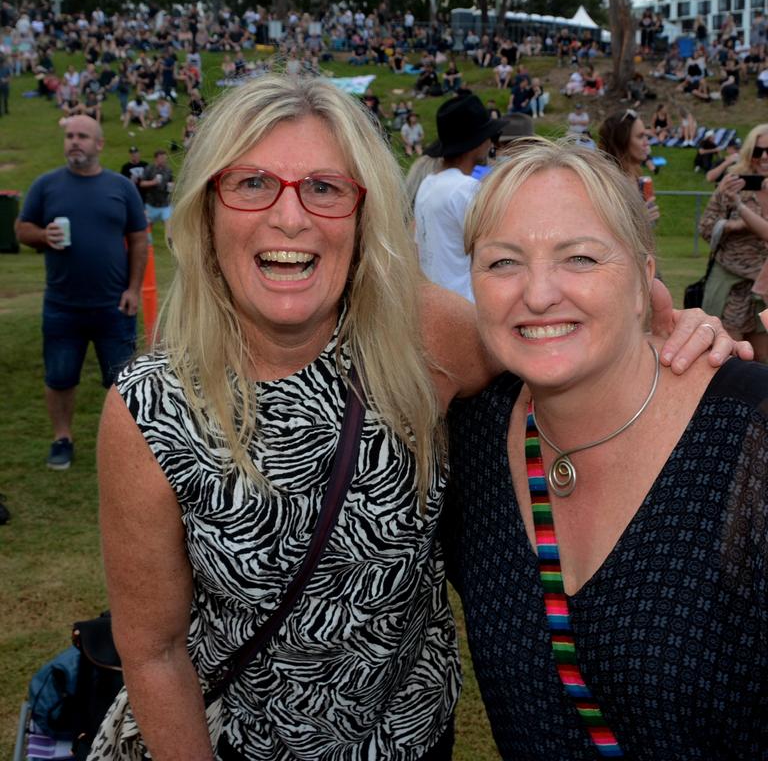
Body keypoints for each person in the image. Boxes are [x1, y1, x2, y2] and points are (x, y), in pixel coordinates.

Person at [91, 73, 733, 761]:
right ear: (208, 208)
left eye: (325, 187)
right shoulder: (151, 408)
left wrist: (671, 330)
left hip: (413, 740)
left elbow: (555, 332)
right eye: (252, 183)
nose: (290, 217)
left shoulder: (424, 335)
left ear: (364, 214)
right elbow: (154, 653)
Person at [444, 138, 767, 760]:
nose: (538, 294)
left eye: (581, 258)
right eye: (503, 262)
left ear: (646, 275)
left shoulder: (749, 437)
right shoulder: (471, 440)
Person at [15, 115, 147, 470]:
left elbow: (138, 239)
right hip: (62, 306)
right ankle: (62, 438)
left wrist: (134, 289)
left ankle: (126, 444)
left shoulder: (121, 187)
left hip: (115, 306)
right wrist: (43, 236)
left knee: (124, 383)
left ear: (99, 144)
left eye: (83, 136)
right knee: (59, 378)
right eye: (70, 136)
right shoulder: (46, 186)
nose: (75, 141)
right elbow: (22, 228)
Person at [415, 93, 505, 301]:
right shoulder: (465, 189)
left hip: (437, 299)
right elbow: (495, 249)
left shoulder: (427, 184)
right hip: (466, 302)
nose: (491, 142)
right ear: (478, 143)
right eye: (488, 136)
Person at [700, 124, 768, 361]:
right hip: (730, 286)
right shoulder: (732, 183)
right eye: (759, 151)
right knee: (732, 359)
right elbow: (706, 227)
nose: (765, 156)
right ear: (749, 152)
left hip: (764, 288)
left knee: (762, 358)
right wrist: (731, 225)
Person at [598, 109, 660, 224]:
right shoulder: (606, 184)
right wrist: (639, 221)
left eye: (646, 136)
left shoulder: (636, 176)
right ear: (622, 141)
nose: (647, 143)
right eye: (640, 137)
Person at [140, 149, 174, 232]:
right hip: (151, 204)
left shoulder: (168, 170)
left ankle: (171, 243)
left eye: (165, 158)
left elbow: (171, 181)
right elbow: (142, 183)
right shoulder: (149, 169)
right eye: (161, 158)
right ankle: (148, 244)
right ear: (156, 158)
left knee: (169, 226)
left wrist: (172, 186)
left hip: (165, 204)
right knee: (146, 227)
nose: (164, 160)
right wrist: (153, 182)